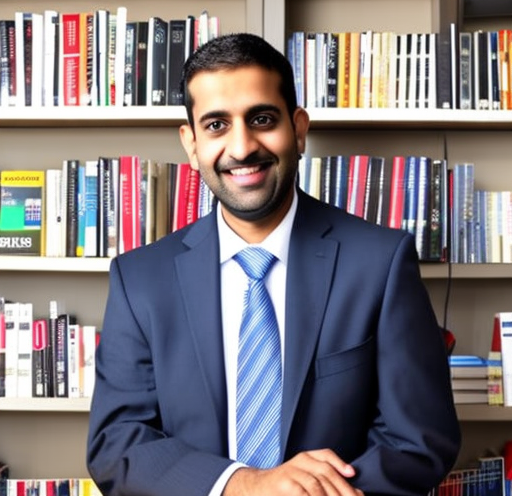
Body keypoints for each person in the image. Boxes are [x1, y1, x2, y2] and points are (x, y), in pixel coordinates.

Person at [86, 32, 461, 496]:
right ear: (191, 142)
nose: (242, 148)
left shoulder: (380, 263)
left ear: (298, 129)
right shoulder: (139, 279)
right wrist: (244, 485)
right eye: (217, 125)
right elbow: (117, 443)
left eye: (262, 119)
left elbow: (420, 440)